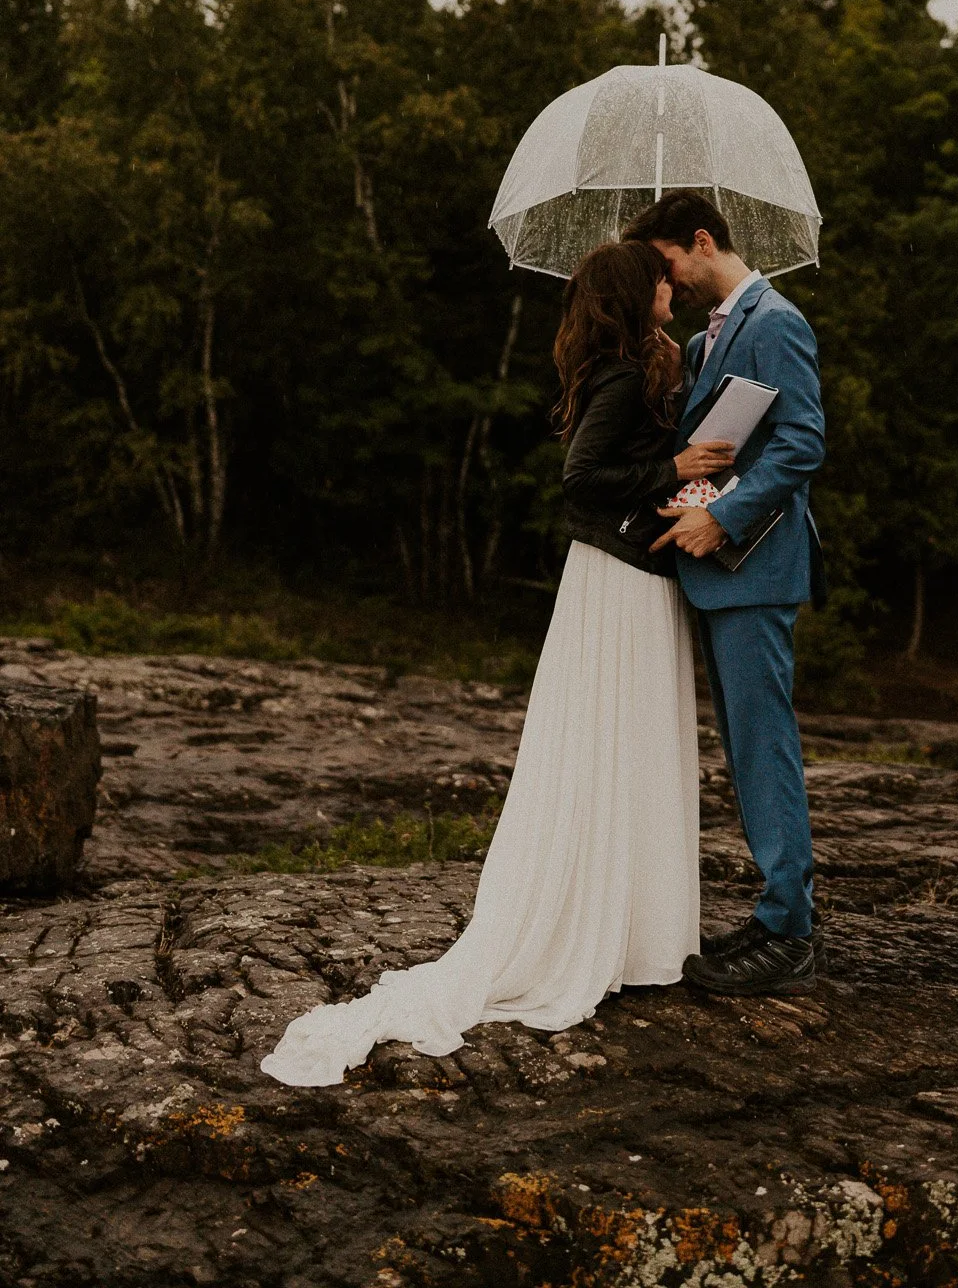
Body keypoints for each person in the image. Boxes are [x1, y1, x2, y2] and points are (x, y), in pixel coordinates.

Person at [260, 239, 735, 1087]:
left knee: (628, 743)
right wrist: (676, 466)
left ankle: (635, 928)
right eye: (660, 280)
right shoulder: (623, 372)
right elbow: (581, 476)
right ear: (635, 293)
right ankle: (607, 930)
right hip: (619, 582)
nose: (673, 287)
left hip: (631, 574)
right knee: (616, 739)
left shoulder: (644, 361)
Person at [623, 188, 826, 998]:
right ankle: (775, 914)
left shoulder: (774, 321)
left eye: (665, 262)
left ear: (700, 242)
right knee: (743, 748)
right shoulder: (708, 342)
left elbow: (802, 443)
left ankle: (791, 933)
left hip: (753, 568)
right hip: (713, 572)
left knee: (761, 744)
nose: (662, 279)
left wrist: (726, 522)